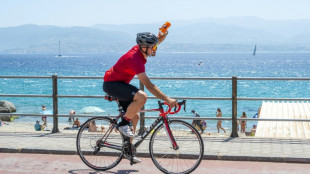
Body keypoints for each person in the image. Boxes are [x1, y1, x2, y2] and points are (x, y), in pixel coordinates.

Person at [103, 31, 177, 163]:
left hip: (120, 84)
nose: (155, 49)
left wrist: (163, 36)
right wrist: (168, 99)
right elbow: (149, 85)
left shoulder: (142, 48)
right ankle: (122, 124)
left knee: (135, 116)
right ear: (144, 48)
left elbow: (154, 42)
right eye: (152, 47)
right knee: (142, 97)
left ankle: (128, 150)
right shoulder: (135, 59)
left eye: (154, 46)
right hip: (112, 84)